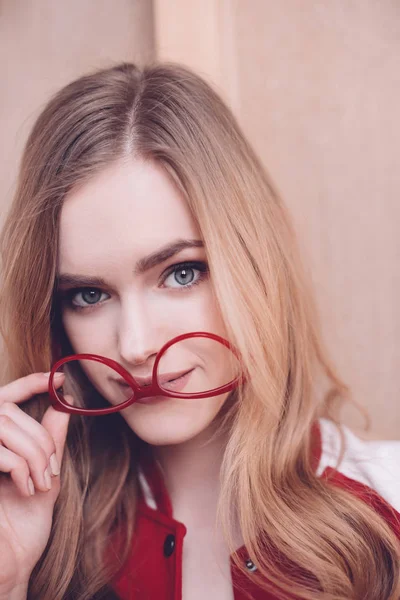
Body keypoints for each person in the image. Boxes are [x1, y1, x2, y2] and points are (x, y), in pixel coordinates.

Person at [0, 62, 399, 600]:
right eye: (88, 295)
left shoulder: (385, 507)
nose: (136, 346)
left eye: (181, 273)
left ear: (253, 262)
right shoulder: (37, 535)